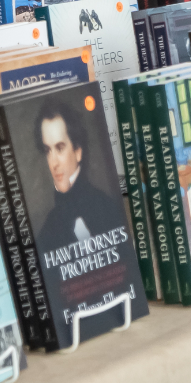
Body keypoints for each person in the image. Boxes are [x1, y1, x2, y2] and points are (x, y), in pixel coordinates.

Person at [34, 98, 128, 262]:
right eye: (48, 150)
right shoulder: (46, 236)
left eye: (60, 148)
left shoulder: (109, 210)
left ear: (77, 151)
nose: (53, 162)